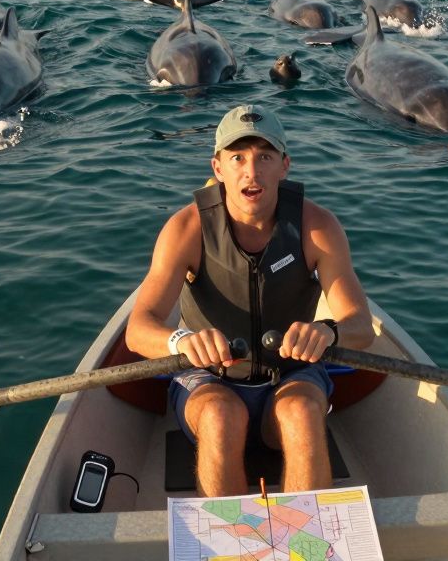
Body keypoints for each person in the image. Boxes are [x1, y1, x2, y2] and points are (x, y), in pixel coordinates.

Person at [125, 103, 374, 496]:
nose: (251, 171)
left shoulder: (318, 227)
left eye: (265, 156)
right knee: (222, 417)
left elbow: (360, 326)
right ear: (218, 168)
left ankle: (308, 550)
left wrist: (328, 332)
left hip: (291, 378)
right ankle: (230, 550)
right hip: (209, 380)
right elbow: (139, 329)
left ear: (285, 165)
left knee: (303, 413)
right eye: (237, 157)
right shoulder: (186, 227)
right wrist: (181, 341)